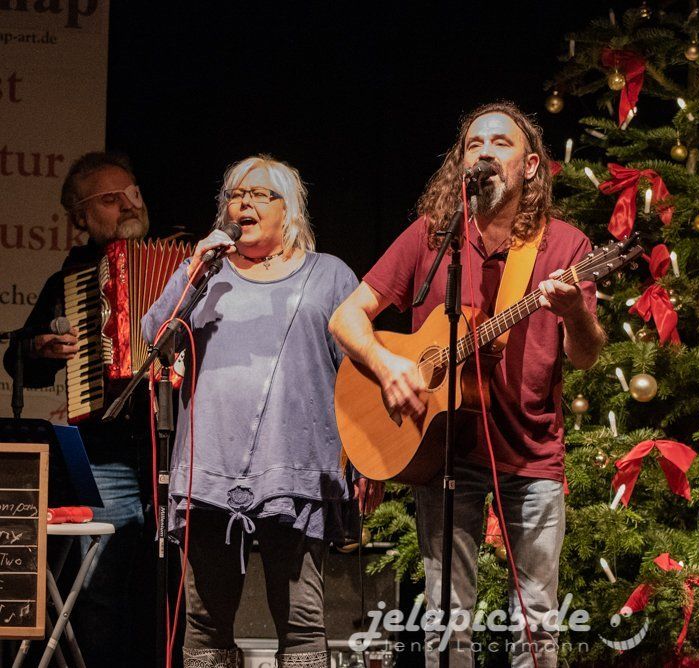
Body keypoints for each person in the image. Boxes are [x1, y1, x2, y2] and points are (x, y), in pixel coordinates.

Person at [329, 101, 606, 667]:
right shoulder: (434, 237)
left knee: (536, 619)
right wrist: (388, 365)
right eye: (473, 144)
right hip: (445, 450)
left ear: (530, 166)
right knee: (446, 616)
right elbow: (345, 317)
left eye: (501, 143)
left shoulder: (564, 246)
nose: (485, 152)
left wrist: (575, 311)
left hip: (531, 452)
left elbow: (584, 357)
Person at [142, 155, 357, 668]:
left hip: (296, 472)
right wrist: (192, 270)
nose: (245, 202)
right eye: (236, 194)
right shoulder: (206, 276)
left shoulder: (329, 275)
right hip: (209, 473)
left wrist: (361, 457)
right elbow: (154, 340)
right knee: (205, 626)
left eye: (261, 194)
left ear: (290, 210)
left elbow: (358, 374)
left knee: (302, 625)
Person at [2, 151, 152, 667]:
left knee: (173, 582)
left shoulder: (187, 264)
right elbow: (18, 358)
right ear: (80, 218)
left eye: (132, 192)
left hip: (182, 450)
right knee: (98, 587)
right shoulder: (70, 281)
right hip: (108, 454)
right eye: (110, 199)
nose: (128, 204)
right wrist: (38, 348)